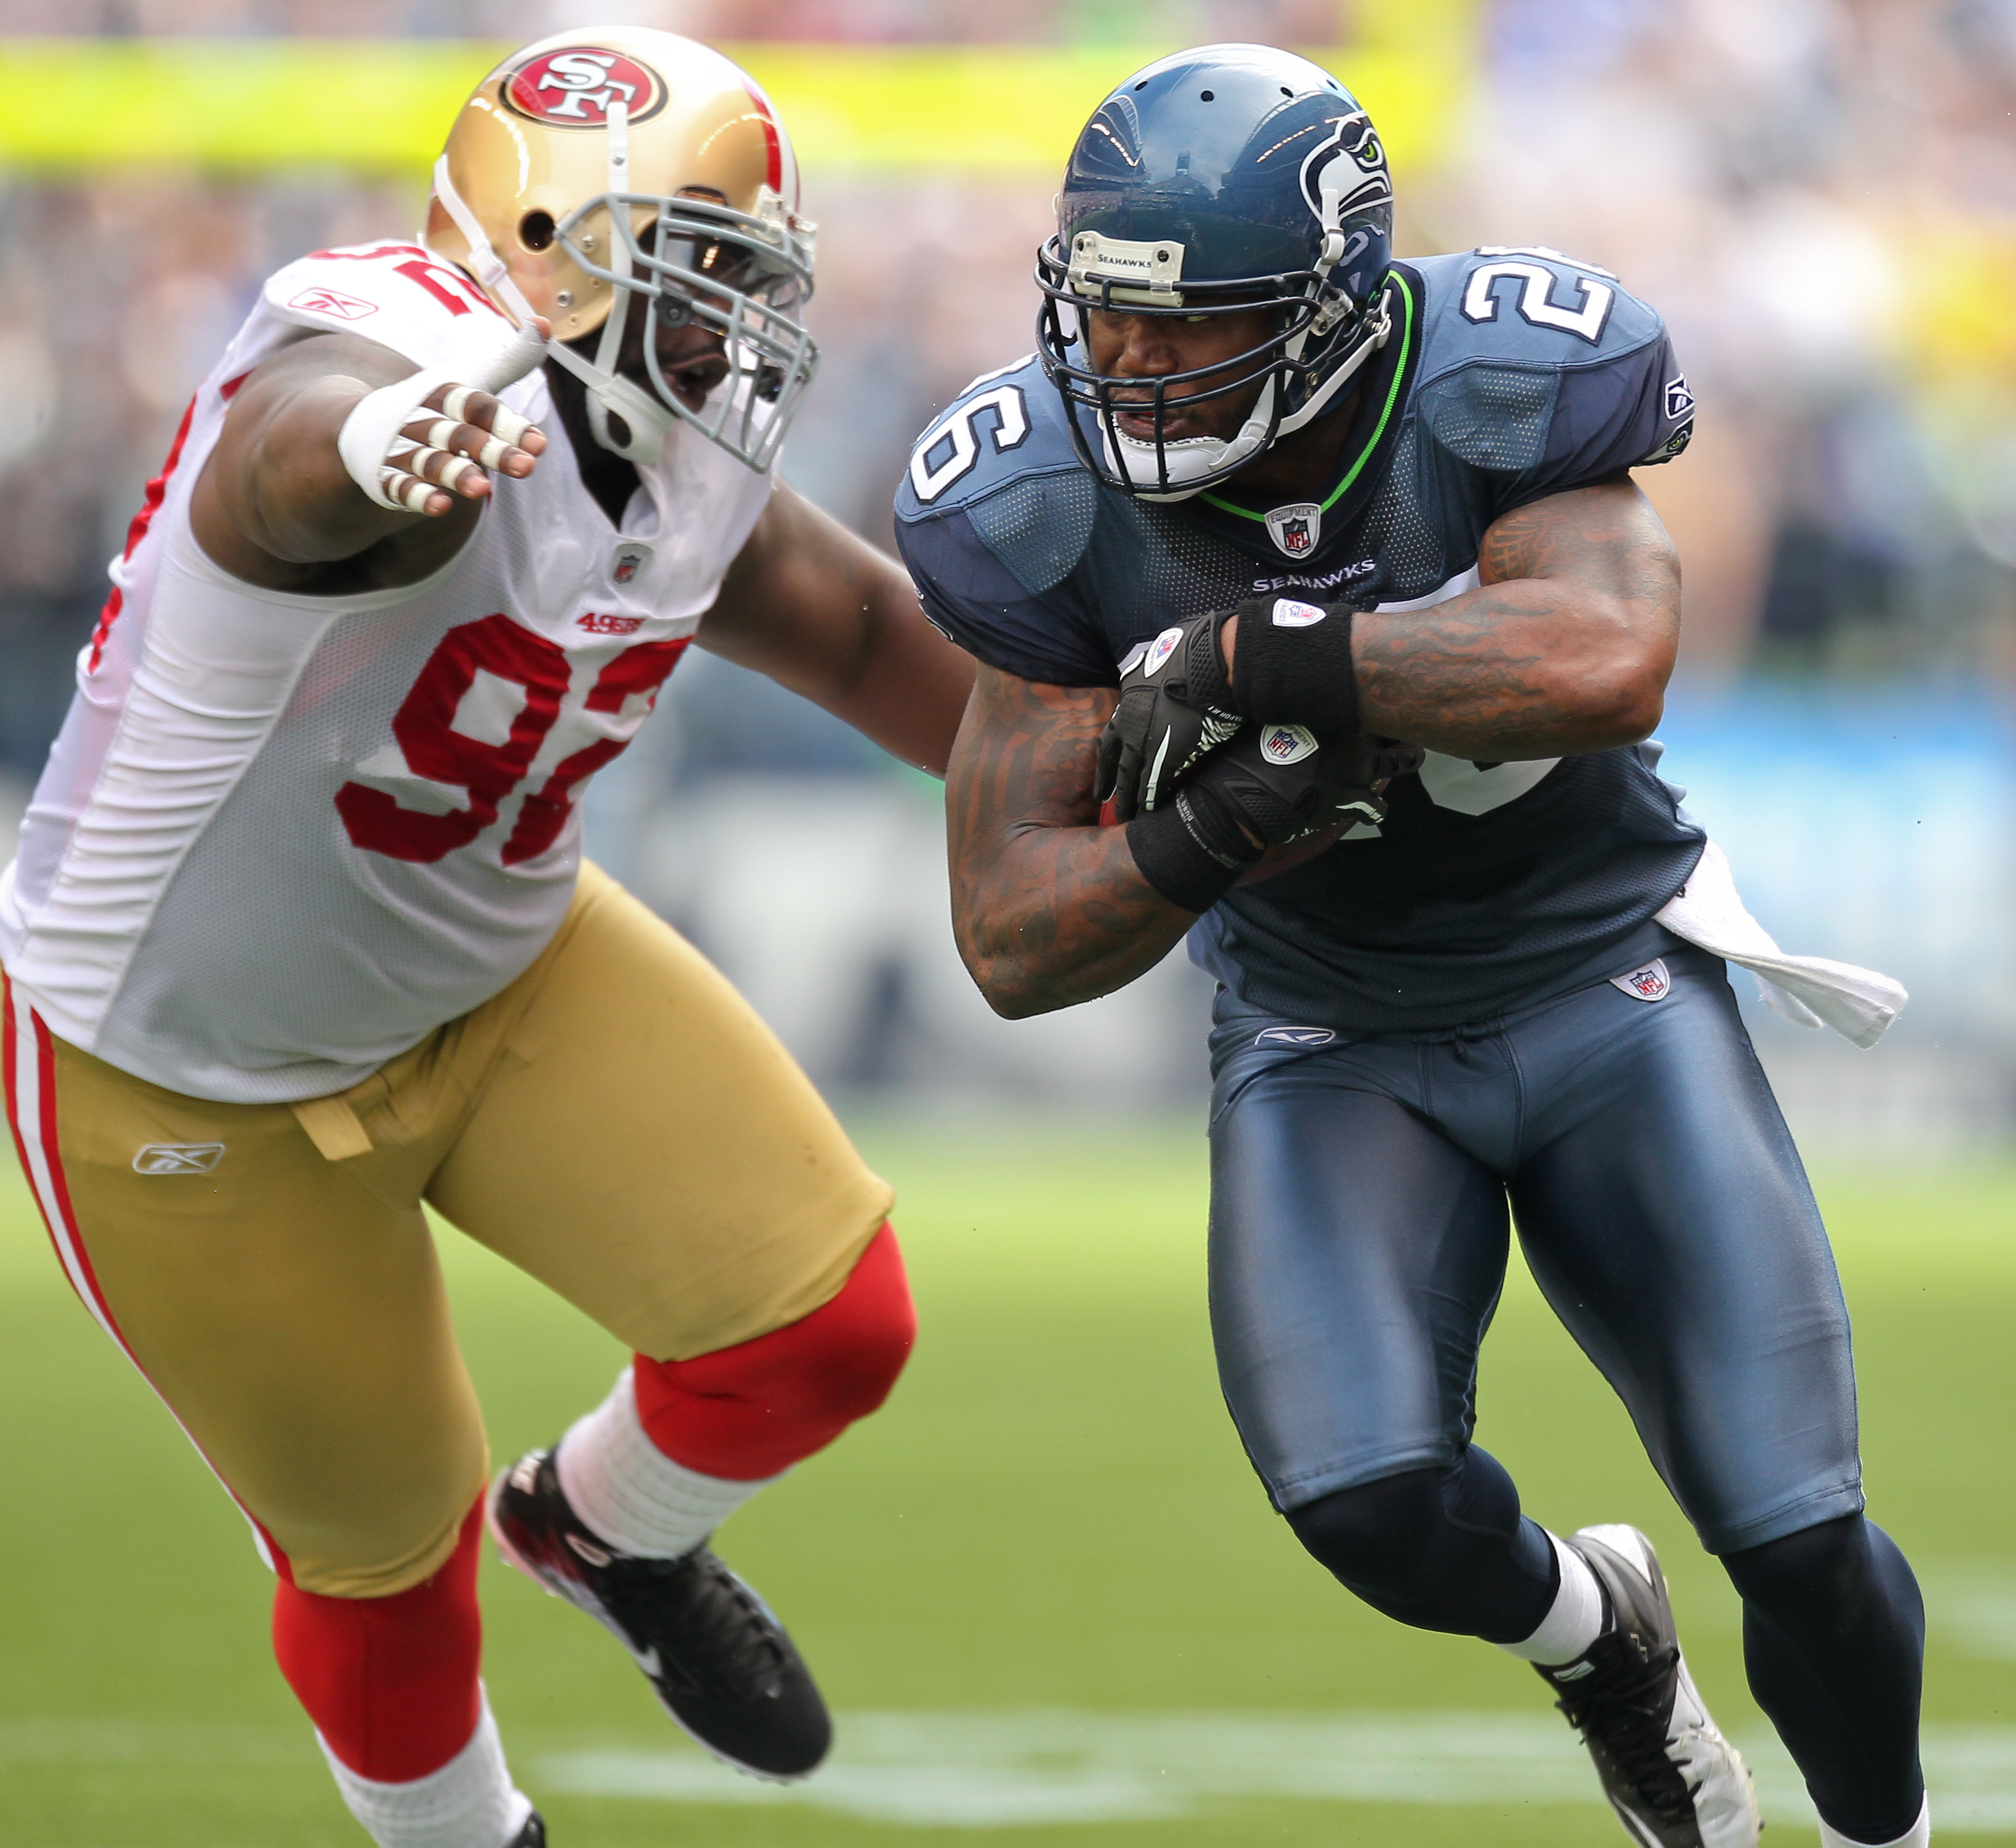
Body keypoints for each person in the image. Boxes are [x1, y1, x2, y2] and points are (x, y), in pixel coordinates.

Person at [899, 43, 1928, 1848]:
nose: (1129, 371)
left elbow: (1607, 658)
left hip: (1598, 977)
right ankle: (1596, 1638)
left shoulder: (1496, 377)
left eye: (1185, 324)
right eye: (1108, 320)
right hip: (1329, 1033)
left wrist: (1273, 664)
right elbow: (1009, 930)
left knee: (1798, 1526)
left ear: (1330, 298)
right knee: (1366, 1495)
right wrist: (1217, 822)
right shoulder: (1038, 497)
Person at [0, 28, 974, 1848]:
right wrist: (379, 446)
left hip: (500, 958)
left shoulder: (663, 436)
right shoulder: (383, 353)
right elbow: (290, 469)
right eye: (703, 269)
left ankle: (599, 1525)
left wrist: (1135, 755)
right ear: (551, 248)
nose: (738, 317)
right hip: (182, 1067)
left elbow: (856, 632)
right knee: (386, 1570)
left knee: (826, 1324)